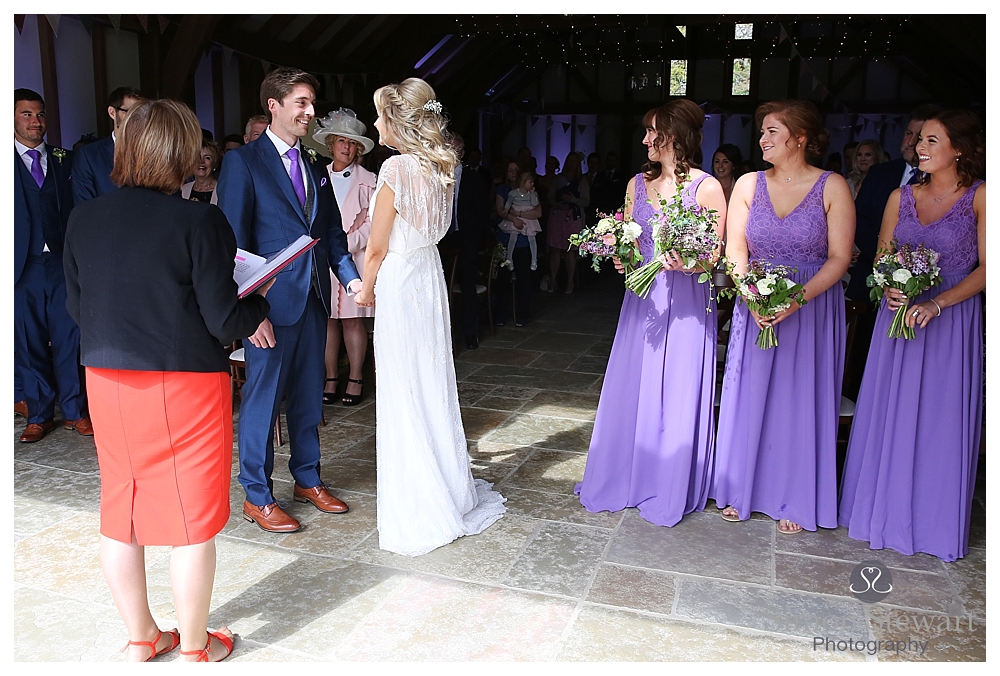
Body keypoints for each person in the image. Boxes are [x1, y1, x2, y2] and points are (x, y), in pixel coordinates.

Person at [63, 98, 273, 662]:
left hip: (105, 377)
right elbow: (224, 318)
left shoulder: (84, 217)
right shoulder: (198, 220)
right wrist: (258, 305)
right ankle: (198, 647)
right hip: (182, 381)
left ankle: (141, 637)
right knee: (190, 520)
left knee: (122, 508)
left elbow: (78, 308)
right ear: (182, 152)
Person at [355, 78, 506, 556]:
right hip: (428, 275)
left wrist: (365, 290)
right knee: (432, 381)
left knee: (404, 387)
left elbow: (376, 247)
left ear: (397, 121)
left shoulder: (397, 168)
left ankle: (420, 502)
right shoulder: (444, 165)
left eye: (379, 115)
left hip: (400, 279)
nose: (375, 123)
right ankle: (449, 488)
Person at [217, 67, 362, 533]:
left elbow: (333, 234)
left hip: (315, 298)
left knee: (306, 396)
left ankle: (307, 478)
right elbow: (234, 242)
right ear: (274, 106)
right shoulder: (244, 163)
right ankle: (256, 496)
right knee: (262, 401)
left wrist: (353, 281)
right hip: (268, 308)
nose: (310, 112)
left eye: (311, 103)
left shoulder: (316, 166)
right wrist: (248, 310)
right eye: (301, 102)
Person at [839, 110, 985, 562]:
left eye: (933, 141)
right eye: (920, 140)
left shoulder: (981, 197)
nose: (921, 148)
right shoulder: (901, 196)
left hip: (949, 321)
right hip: (897, 318)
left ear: (959, 149)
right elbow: (882, 257)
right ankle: (878, 509)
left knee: (939, 418)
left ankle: (931, 521)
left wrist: (938, 302)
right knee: (890, 410)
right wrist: (890, 284)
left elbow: (989, 268)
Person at [575, 100, 727, 527]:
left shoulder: (707, 187)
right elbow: (630, 234)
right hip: (642, 299)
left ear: (675, 136)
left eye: (652, 132)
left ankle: (669, 480)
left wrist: (690, 262)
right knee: (635, 384)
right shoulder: (636, 184)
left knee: (677, 388)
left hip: (686, 302)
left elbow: (714, 255)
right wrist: (622, 255)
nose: (644, 140)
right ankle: (628, 474)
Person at [711, 99, 855, 534]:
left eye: (773, 131)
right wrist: (750, 294)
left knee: (800, 400)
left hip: (810, 309)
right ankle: (742, 491)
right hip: (754, 305)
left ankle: (797, 496)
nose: (763, 139)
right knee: (750, 394)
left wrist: (795, 300)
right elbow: (735, 249)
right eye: (762, 131)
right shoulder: (748, 184)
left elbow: (839, 258)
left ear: (801, 137)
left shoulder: (832, 186)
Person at [844, 104, 943, 397]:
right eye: (910, 133)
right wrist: (888, 264)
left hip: (927, 285)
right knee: (861, 354)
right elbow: (858, 216)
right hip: (874, 279)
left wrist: (913, 268)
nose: (912, 142)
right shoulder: (881, 173)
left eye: (922, 136)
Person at [13, 88, 92, 443]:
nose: (36, 121)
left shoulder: (65, 159)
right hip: (20, 267)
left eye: (40, 114)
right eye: (27, 114)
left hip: (62, 262)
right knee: (28, 341)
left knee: (69, 337)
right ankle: (40, 414)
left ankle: (76, 410)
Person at [311, 107, 376, 405]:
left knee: (352, 321)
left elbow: (374, 222)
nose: (346, 148)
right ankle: (331, 377)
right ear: (331, 144)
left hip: (355, 259)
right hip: (323, 258)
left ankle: (356, 377)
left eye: (352, 144)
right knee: (328, 321)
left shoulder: (369, 179)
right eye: (341, 142)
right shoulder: (317, 177)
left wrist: (346, 245)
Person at [441, 133, 492, 349]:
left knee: (467, 282)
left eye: (453, 149)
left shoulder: (475, 178)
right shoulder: (437, 176)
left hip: (468, 237)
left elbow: (483, 212)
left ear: (461, 153)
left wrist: (472, 236)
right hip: (443, 237)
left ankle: (471, 333)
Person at [72, 86, 143, 205]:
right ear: (112, 112)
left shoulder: (154, 151)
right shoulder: (89, 156)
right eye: (129, 112)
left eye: (140, 112)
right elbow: (84, 208)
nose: (136, 118)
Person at [493, 160, 540, 326]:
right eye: (510, 170)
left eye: (516, 170)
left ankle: (523, 315)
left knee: (524, 278)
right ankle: (501, 314)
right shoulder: (503, 190)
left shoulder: (529, 191)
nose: (513, 173)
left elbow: (538, 212)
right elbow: (500, 210)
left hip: (525, 239)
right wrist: (513, 218)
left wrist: (519, 214)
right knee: (503, 278)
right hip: (505, 239)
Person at [547, 152, 589, 294]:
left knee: (571, 249)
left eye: (574, 161)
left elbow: (586, 201)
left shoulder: (582, 181)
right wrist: (557, 204)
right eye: (569, 160)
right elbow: (550, 197)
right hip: (558, 216)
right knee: (555, 249)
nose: (571, 164)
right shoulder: (558, 179)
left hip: (573, 218)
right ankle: (553, 280)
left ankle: (570, 282)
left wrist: (573, 200)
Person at [498, 170, 541, 271]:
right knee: (513, 237)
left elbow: (535, 204)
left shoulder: (531, 194)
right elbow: (508, 202)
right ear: (522, 182)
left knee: (532, 238)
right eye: (530, 182)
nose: (532, 184)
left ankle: (534, 260)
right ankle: (509, 259)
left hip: (528, 216)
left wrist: (533, 194)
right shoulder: (513, 193)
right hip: (516, 213)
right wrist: (506, 210)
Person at [180, 139, 220, 204]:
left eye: (207, 158)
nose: (201, 161)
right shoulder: (184, 189)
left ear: (214, 165)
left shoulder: (221, 190)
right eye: (197, 157)